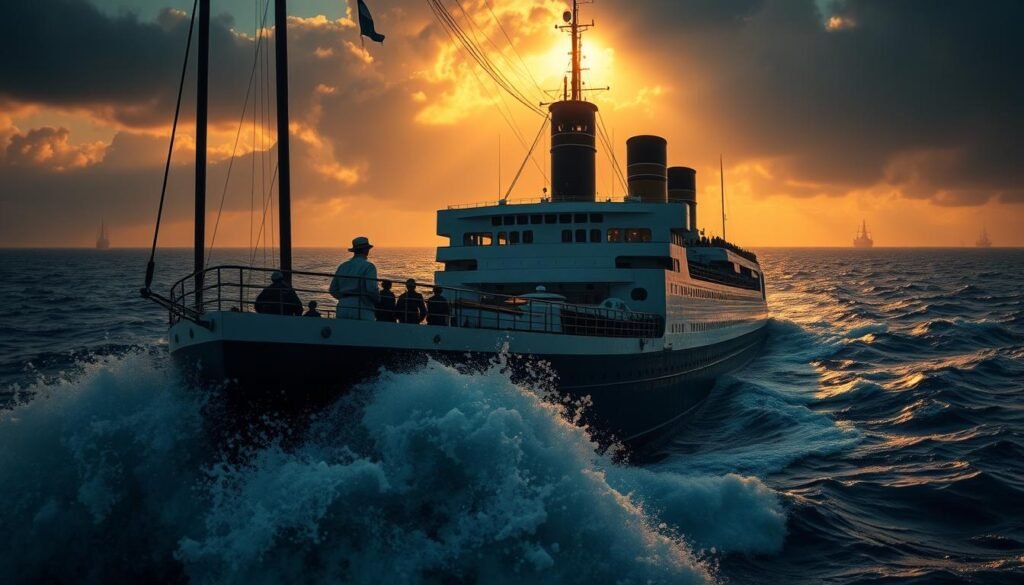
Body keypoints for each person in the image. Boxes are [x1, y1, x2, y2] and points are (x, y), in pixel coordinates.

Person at [330, 236, 380, 320]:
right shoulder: (369, 267)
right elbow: (371, 290)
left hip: (343, 305)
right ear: (365, 250)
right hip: (361, 305)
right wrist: (378, 300)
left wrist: (344, 298)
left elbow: (333, 289)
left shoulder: (343, 266)